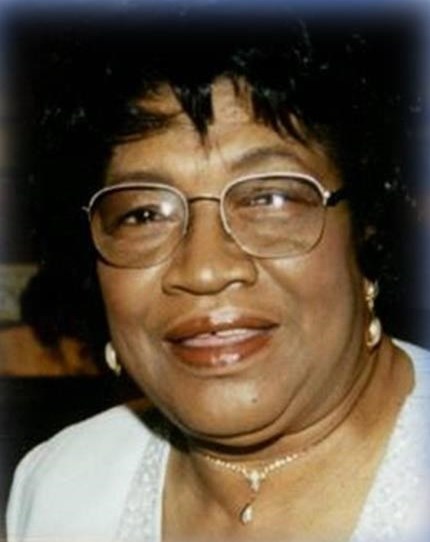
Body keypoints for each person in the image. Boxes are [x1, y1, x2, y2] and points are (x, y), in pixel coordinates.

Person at [6, 6, 430, 542]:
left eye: (268, 198)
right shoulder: (57, 488)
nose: (204, 269)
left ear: (366, 225)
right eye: (144, 214)